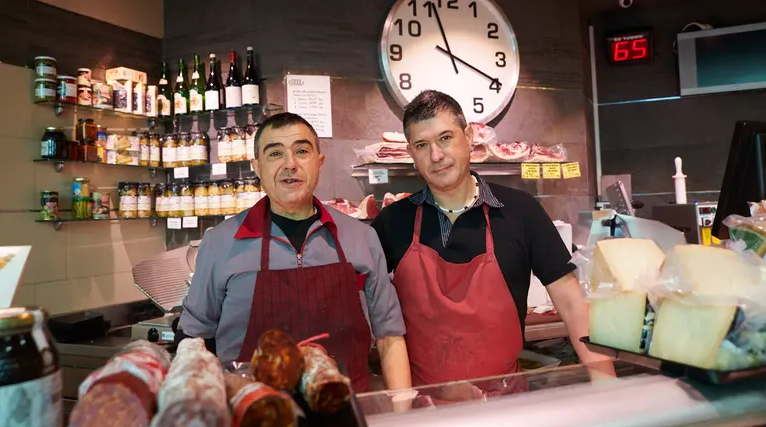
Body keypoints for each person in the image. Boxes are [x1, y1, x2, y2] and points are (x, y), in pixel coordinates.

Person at [372, 90, 614, 389]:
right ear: (411, 153)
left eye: (445, 138)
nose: (436, 156)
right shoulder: (392, 222)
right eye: (422, 145)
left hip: (504, 401)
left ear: (468, 137)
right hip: (426, 404)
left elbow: (571, 302)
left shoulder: (520, 211)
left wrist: (606, 384)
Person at [178, 112, 411, 392]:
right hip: (253, 410)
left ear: (319, 162)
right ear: (257, 166)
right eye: (275, 153)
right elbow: (194, 340)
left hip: (349, 408)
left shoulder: (362, 238)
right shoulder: (220, 243)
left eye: (301, 151)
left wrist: (402, 407)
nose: (290, 164)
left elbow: (389, 337)